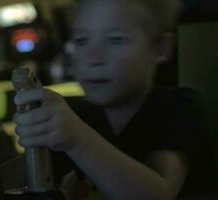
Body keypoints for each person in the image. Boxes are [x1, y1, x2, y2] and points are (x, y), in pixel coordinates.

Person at [13, 0, 215, 199]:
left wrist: (76, 139)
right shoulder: (74, 117)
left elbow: (159, 194)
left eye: (116, 39)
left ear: (160, 47)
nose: (94, 57)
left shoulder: (180, 107)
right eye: (82, 40)